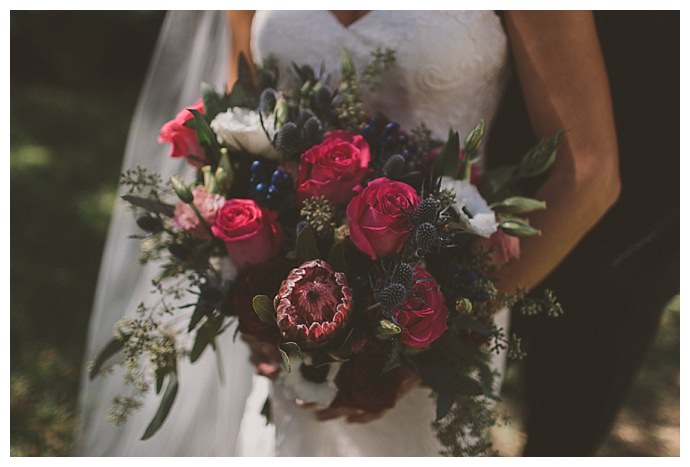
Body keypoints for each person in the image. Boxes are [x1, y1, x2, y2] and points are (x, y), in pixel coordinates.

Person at [76, 10, 620, 456]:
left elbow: (590, 173)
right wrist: (249, 281)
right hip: (291, 316)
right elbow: (236, 120)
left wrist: (436, 333)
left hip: (433, 319)